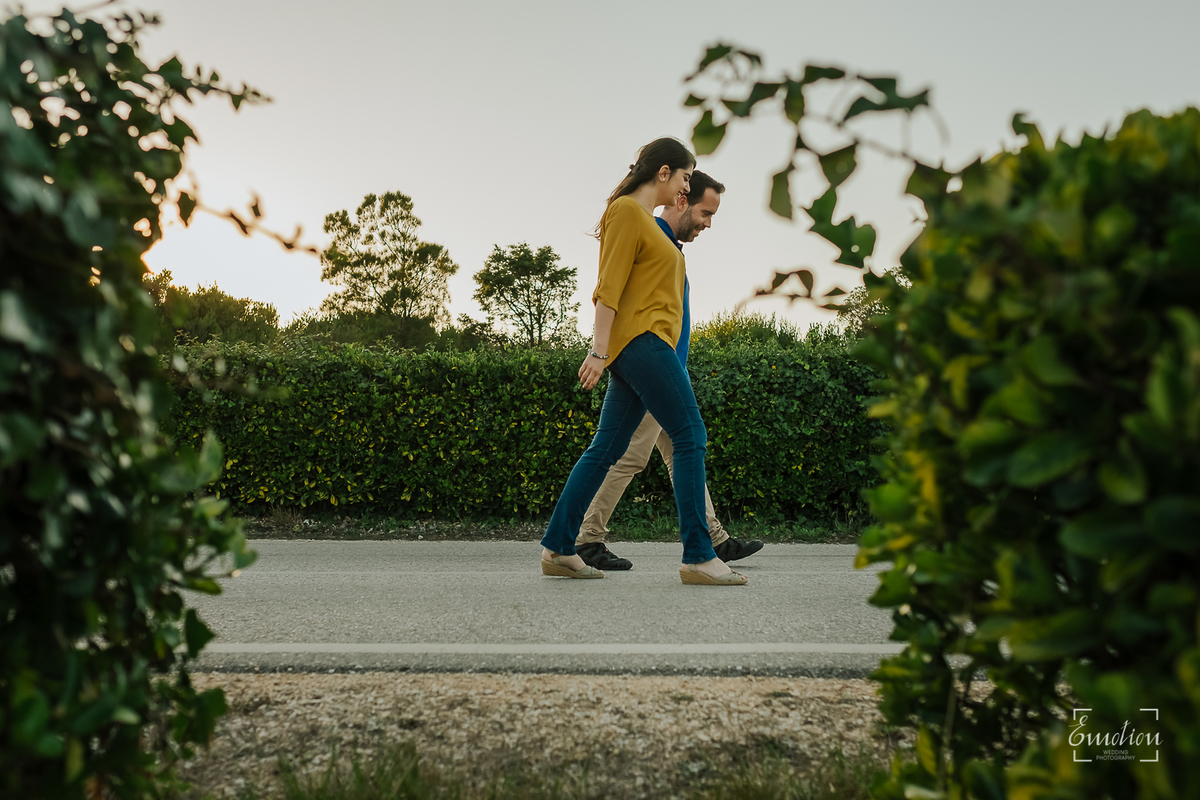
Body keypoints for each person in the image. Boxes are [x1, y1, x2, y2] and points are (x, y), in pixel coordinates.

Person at [539, 137, 747, 586]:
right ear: (664, 172)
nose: (687, 189)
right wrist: (598, 350)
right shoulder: (627, 212)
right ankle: (698, 554)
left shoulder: (652, 226)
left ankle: (558, 546)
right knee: (690, 435)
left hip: (645, 346)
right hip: (642, 344)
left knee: (607, 449)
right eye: (687, 178)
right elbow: (608, 287)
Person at [574, 172, 764, 571]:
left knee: (681, 454)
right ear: (682, 200)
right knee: (629, 457)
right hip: (652, 372)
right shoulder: (654, 240)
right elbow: (616, 298)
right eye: (705, 212)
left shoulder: (670, 247)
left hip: (668, 371)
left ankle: (715, 539)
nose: (708, 223)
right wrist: (606, 352)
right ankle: (586, 538)